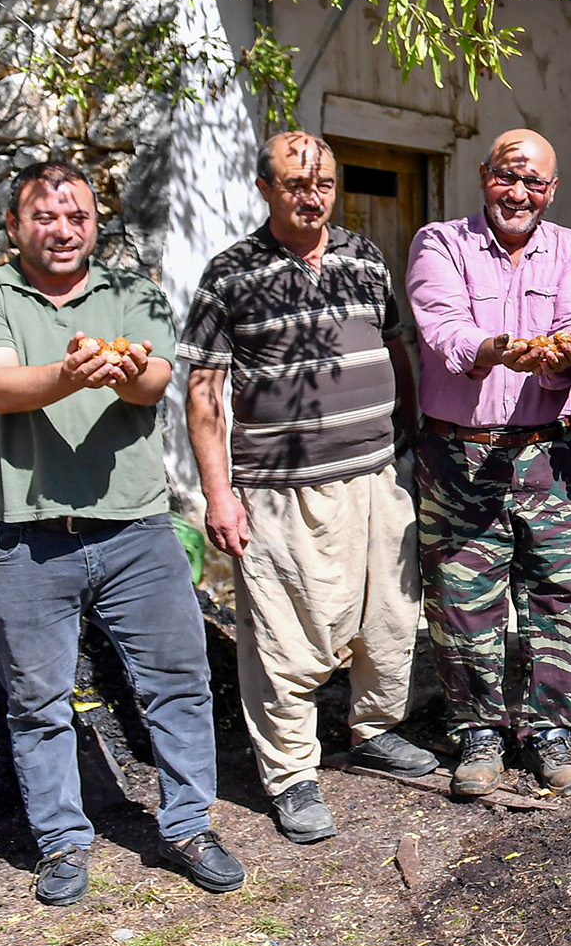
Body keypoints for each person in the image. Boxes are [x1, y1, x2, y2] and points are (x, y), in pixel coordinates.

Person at [0, 161, 243, 905]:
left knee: (177, 678)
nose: (63, 228)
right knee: (38, 700)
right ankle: (63, 842)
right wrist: (74, 372)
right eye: (45, 215)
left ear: (96, 224)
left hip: (134, 526)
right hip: (22, 534)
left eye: (77, 215)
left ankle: (189, 821)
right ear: (14, 226)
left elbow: (153, 381)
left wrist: (123, 366)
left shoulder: (131, 293)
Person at [179, 132, 439, 845]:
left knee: (388, 620)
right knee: (283, 638)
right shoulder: (229, 273)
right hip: (279, 488)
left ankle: (374, 729)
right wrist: (217, 492)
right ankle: (292, 773)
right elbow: (203, 391)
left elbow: (396, 347)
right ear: (265, 188)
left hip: (378, 473)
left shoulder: (363, 257)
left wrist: (409, 438)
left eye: (322, 180)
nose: (311, 194)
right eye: (295, 182)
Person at [404, 128, 571, 800]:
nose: (518, 192)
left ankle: (550, 731)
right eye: (507, 176)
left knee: (563, 594)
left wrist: (561, 351)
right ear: (485, 173)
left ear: (553, 189)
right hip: (459, 452)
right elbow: (442, 328)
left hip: (552, 449)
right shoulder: (441, 242)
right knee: (463, 599)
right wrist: (494, 349)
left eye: (535, 182)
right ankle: (478, 733)